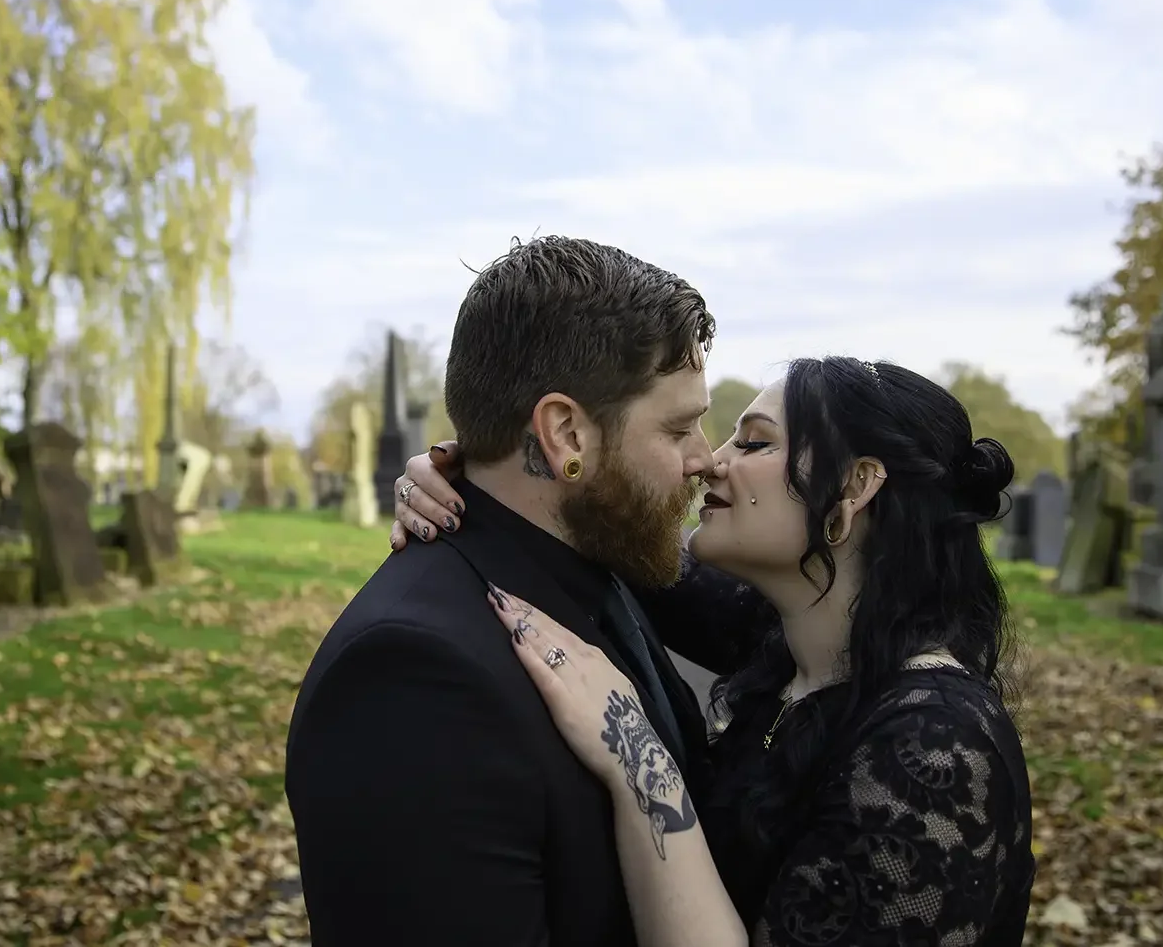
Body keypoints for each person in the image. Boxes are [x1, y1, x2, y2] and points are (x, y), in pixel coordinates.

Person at [390, 356, 1035, 946]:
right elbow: (603, 529)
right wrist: (478, 473)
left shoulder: (935, 749)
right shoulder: (781, 640)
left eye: (754, 442)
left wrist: (636, 758)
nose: (710, 461)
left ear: (854, 486)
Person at [284, 235, 729, 946]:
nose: (707, 458)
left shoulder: (603, 562)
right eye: (678, 427)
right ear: (564, 433)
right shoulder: (411, 682)